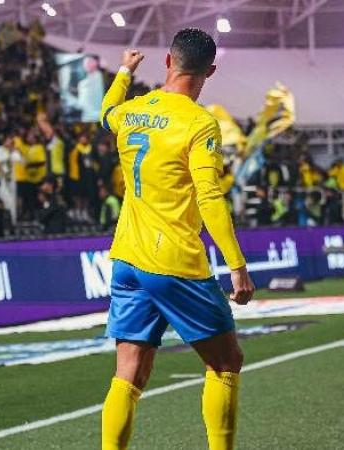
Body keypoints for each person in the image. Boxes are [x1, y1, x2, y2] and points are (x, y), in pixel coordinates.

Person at [98, 31, 254, 450]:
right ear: (211, 71)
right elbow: (209, 197)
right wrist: (237, 266)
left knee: (128, 372)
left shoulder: (132, 111)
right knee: (226, 361)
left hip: (127, 259)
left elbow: (106, 112)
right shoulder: (199, 123)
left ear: (168, 61)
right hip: (174, 260)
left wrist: (125, 72)